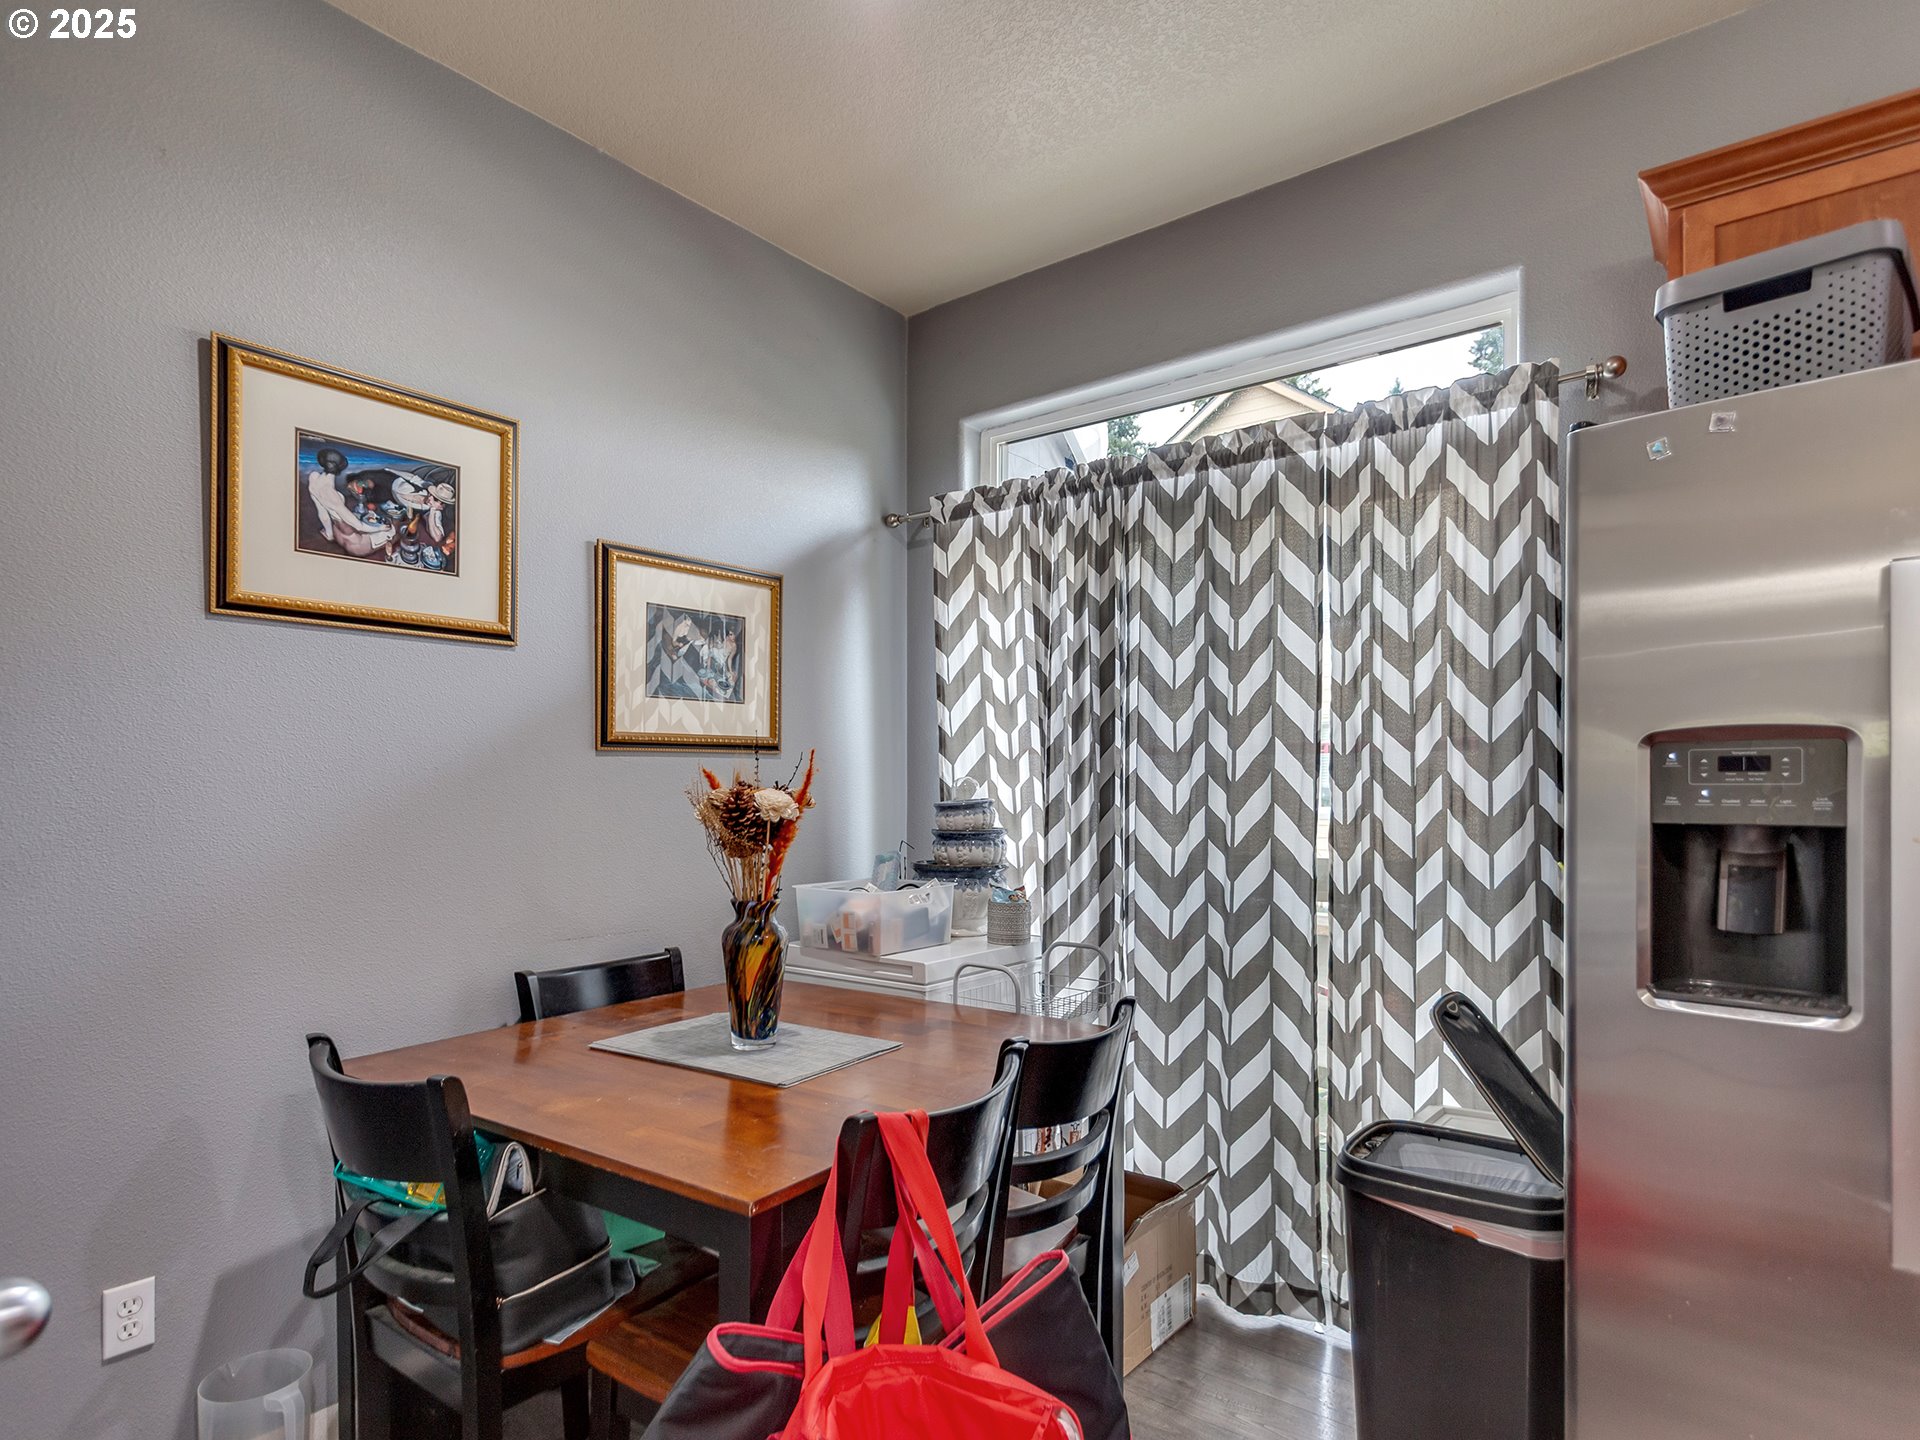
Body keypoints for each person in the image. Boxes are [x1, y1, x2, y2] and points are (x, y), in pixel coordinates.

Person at [304, 447, 393, 558]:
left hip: (337, 533)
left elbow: (322, 512)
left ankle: (330, 534)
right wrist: (380, 528)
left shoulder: (314, 477)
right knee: (393, 532)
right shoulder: (331, 494)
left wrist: (330, 534)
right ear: (340, 469)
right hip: (355, 544)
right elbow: (359, 526)